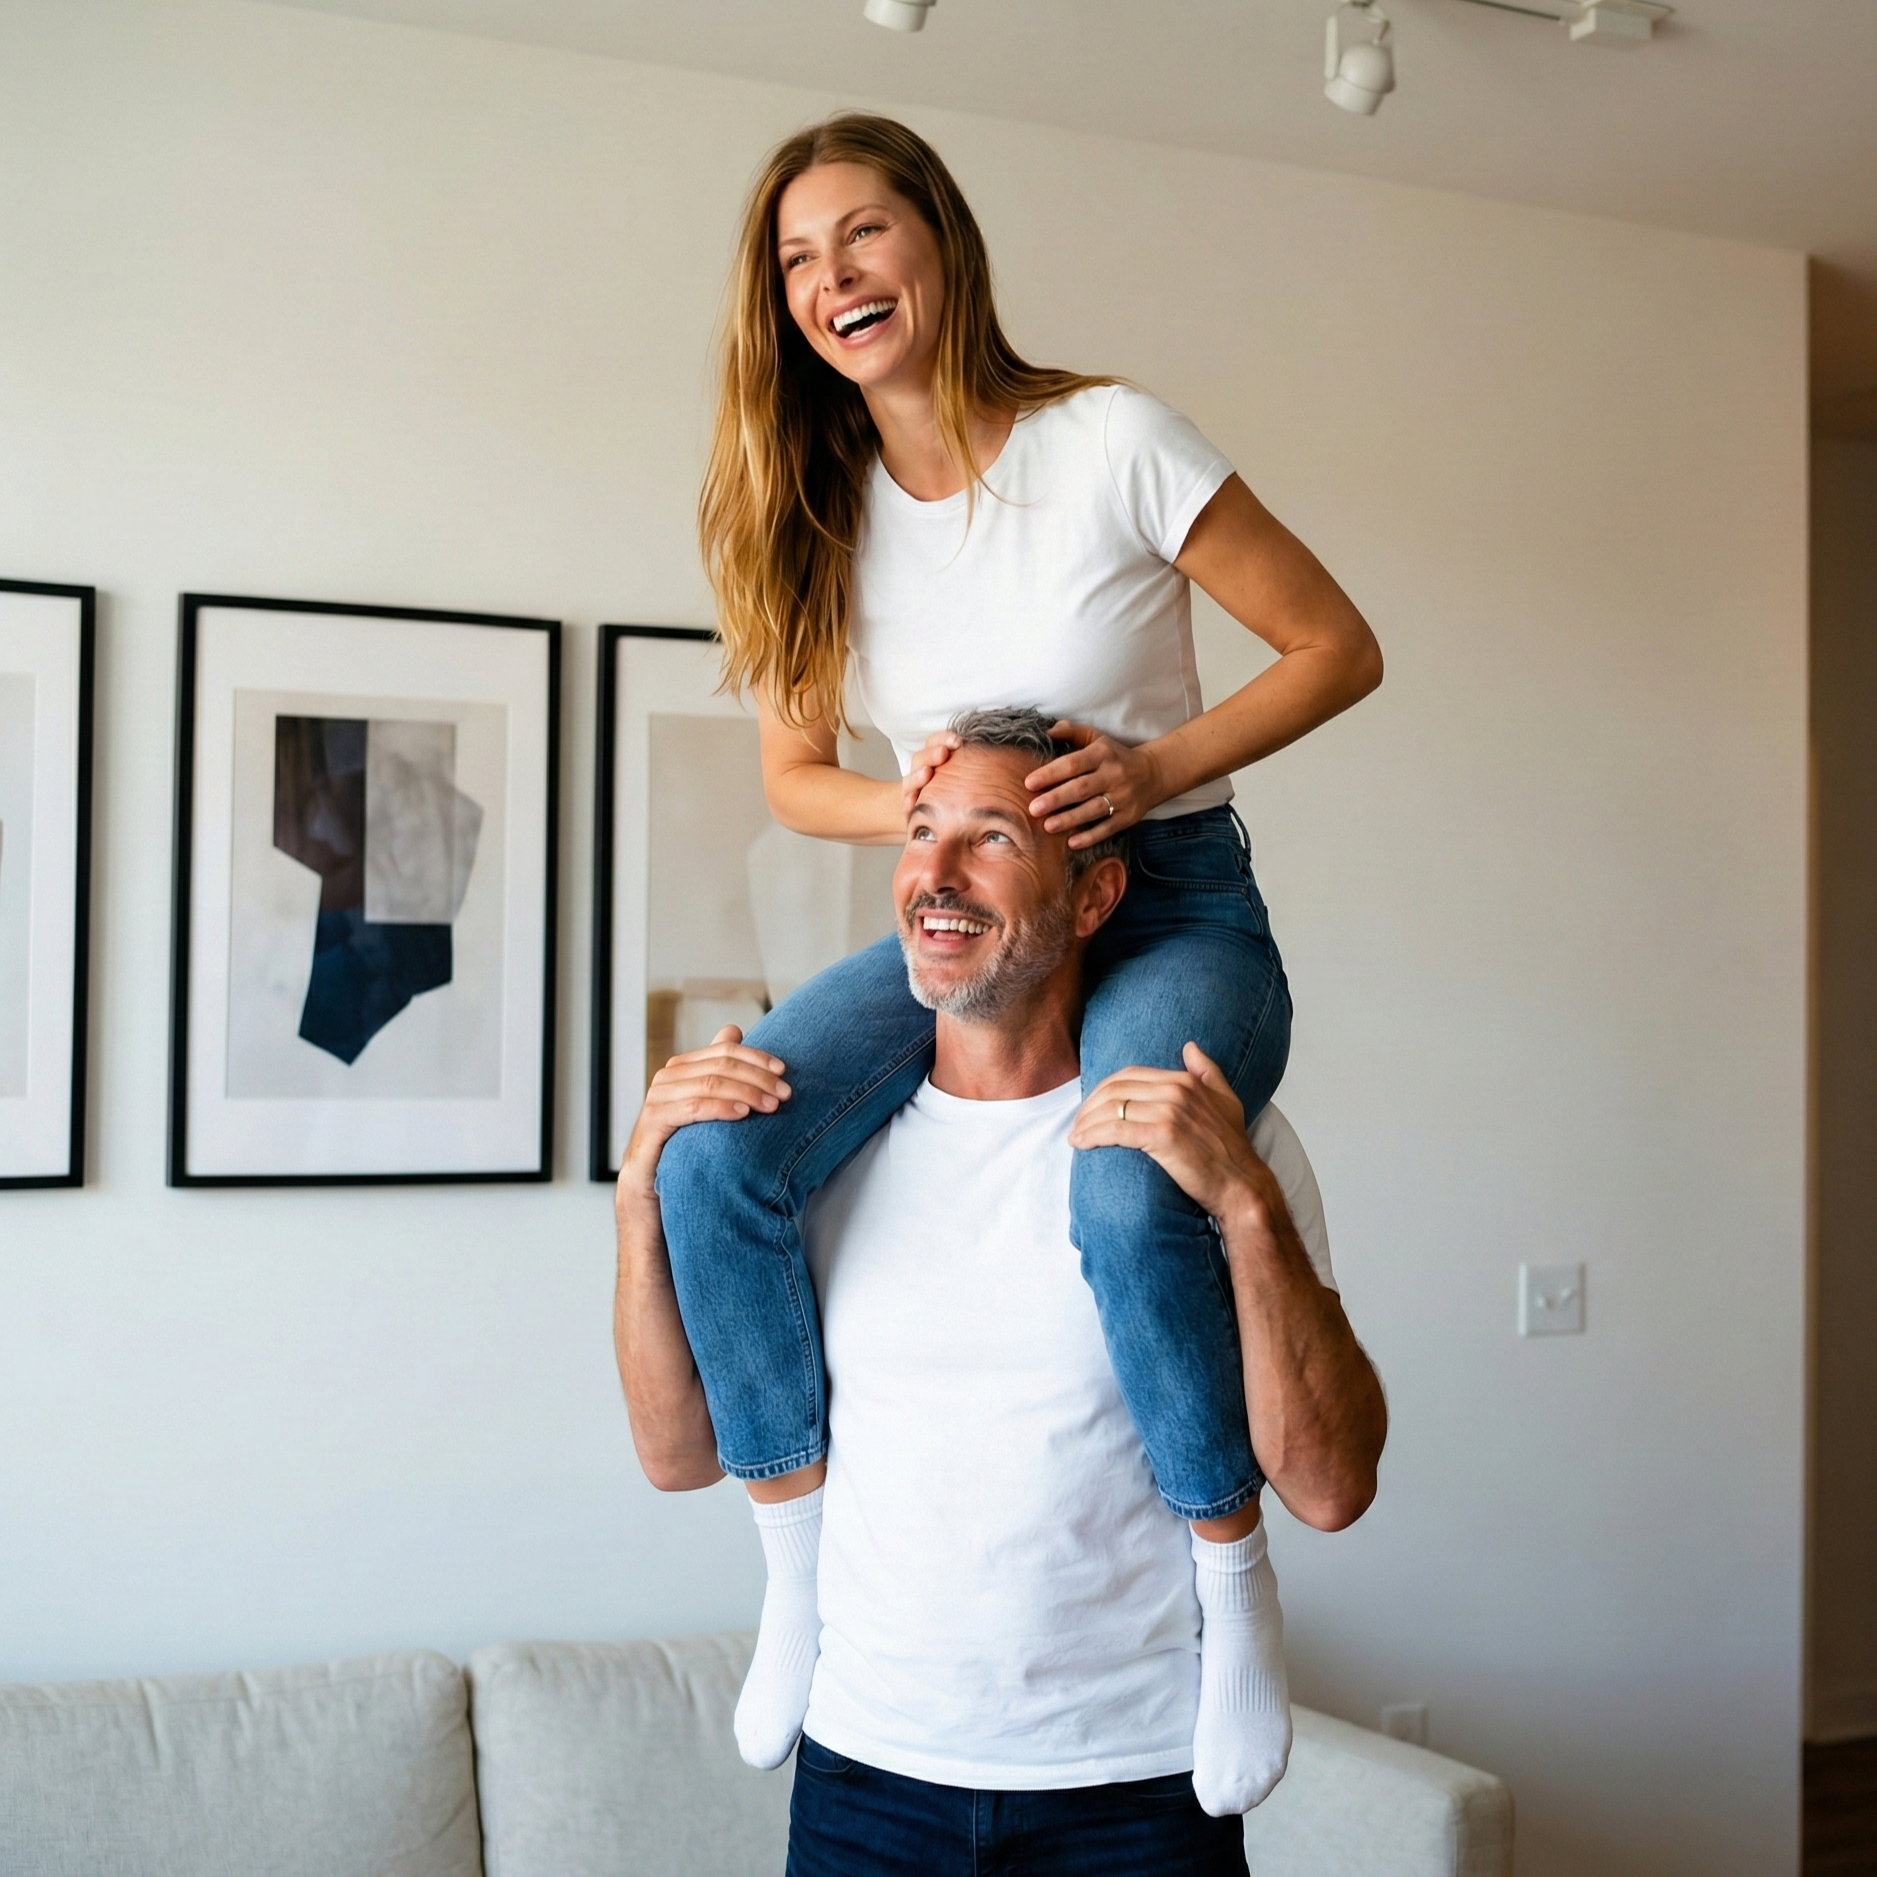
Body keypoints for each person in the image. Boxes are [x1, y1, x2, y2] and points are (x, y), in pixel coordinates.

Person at [656, 112, 1383, 1788]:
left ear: (938, 244)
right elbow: (790, 774)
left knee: (1128, 1186)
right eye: (795, 259)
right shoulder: (817, 507)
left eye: (861, 235)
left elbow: (1334, 646)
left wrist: (1148, 769)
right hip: (958, 920)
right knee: (712, 1159)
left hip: (1170, 891)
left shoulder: (1110, 437)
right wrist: (909, 800)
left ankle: (1233, 1587)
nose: (833, 277)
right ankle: (796, 1576)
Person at [615, 713, 1387, 1869]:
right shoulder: (809, 1156)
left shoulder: (1212, 1143)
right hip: (862, 1782)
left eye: (989, 840)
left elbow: (1329, 1486)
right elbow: (678, 1455)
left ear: (1091, 897)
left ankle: (1239, 1596)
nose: (933, 873)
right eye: (919, 832)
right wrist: (640, 1200)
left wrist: (1244, 1209)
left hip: (1135, 1794)